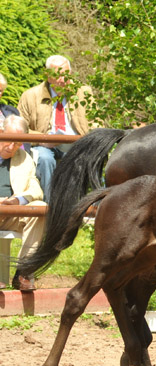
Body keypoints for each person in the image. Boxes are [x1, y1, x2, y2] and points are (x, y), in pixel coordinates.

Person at [17, 55, 95, 200]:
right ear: (47, 76)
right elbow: (21, 127)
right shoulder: (30, 95)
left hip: (76, 144)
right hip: (45, 145)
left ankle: (80, 207)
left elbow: (96, 120)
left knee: (83, 158)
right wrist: (42, 140)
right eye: (57, 75)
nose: (62, 79)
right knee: (45, 159)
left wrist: (87, 139)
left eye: (66, 74)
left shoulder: (83, 92)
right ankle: (50, 207)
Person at [0, 115, 46, 291]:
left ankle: (24, 271)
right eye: (8, 141)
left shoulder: (23, 157)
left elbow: (36, 190)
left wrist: (15, 200)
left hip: (10, 212)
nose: (12, 147)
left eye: (18, 143)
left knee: (40, 209)